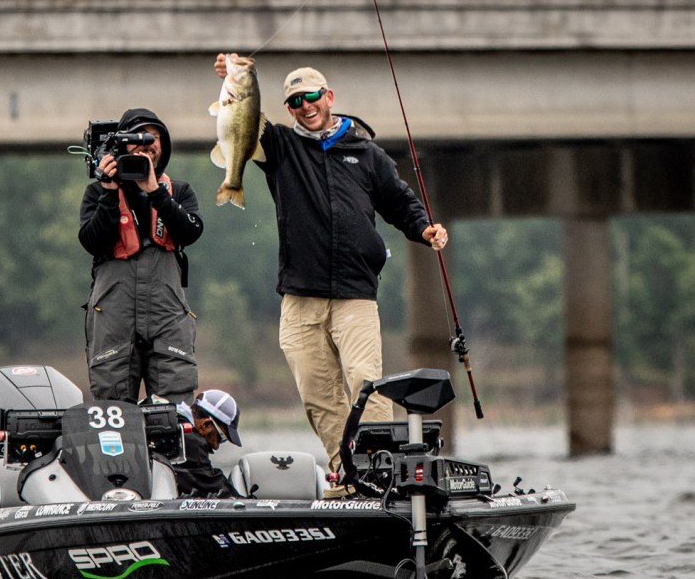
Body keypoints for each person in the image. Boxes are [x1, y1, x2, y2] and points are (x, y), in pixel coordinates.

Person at [212, 54, 449, 489]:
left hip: (355, 293)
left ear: (329, 96)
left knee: (364, 383)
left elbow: (400, 203)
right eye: (295, 101)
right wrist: (233, 74)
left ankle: (381, 474)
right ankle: (349, 476)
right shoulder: (281, 147)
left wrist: (424, 228)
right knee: (317, 395)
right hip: (299, 295)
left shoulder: (367, 154)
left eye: (311, 97)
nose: (305, 106)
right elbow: (243, 118)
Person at [79, 107, 204, 405]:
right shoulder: (97, 192)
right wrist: (110, 193)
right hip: (114, 318)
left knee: (175, 408)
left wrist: (155, 191)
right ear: (121, 146)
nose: (146, 144)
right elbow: (91, 241)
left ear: (163, 146)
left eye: (154, 138)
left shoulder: (179, 191)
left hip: (167, 316)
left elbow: (191, 232)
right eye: (138, 138)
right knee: (114, 407)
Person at [174, 389, 242, 498]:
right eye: (220, 437)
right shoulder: (191, 441)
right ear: (206, 425)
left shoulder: (172, 418)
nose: (216, 446)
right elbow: (209, 484)